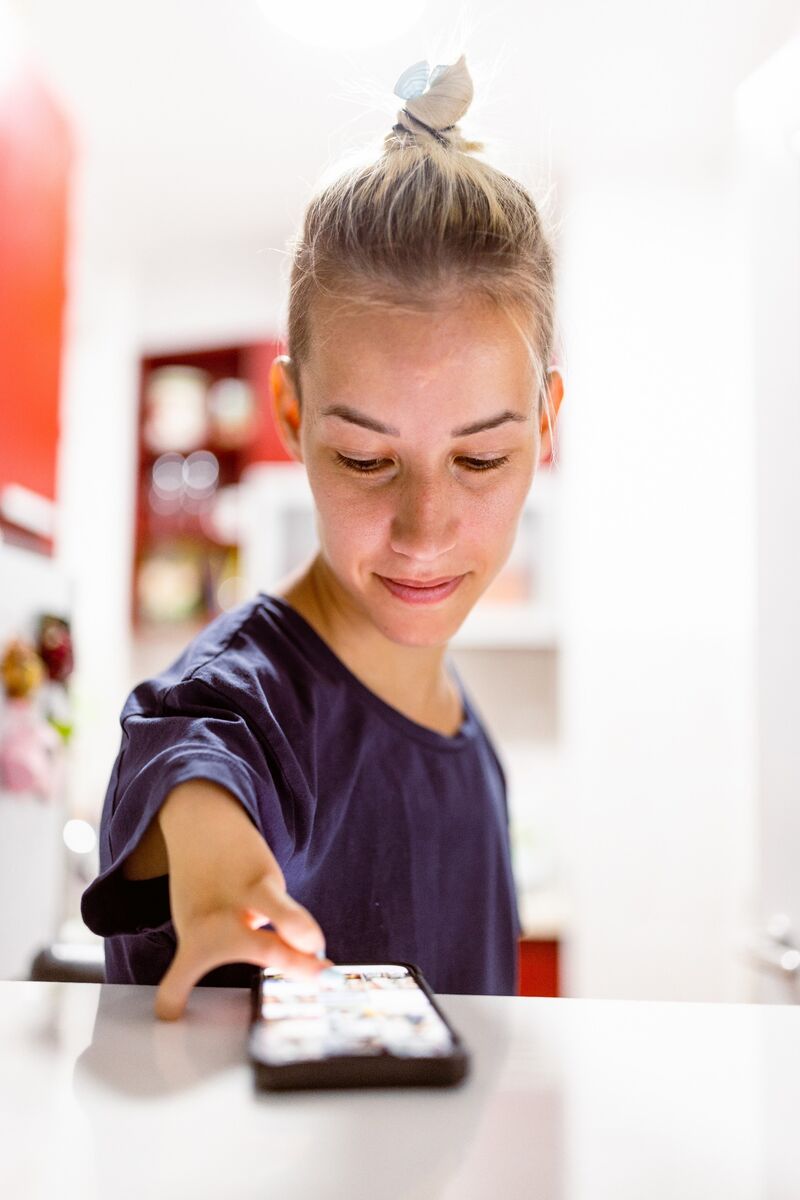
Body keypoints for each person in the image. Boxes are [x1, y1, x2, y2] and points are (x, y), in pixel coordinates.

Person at [80, 52, 565, 1021]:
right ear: (293, 416)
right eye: (363, 460)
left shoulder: (469, 748)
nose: (423, 530)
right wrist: (219, 883)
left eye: (477, 461)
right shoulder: (235, 706)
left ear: (545, 426)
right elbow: (189, 757)